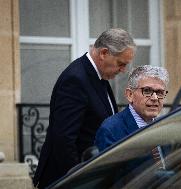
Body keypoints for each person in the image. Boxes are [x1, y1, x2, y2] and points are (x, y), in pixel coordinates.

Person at [33, 28, 136, 189]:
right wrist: (80, 179)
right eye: (121, 64)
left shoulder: (97, 75)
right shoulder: (76, 79)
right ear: (103, 53)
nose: (123, 70)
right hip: (70, 180)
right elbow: (64, 139)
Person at [95, 65, 169, 152]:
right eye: (147, 91)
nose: (155, 98)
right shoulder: (111, 130)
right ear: (130, 95)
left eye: (160, 92)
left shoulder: (165, 128)